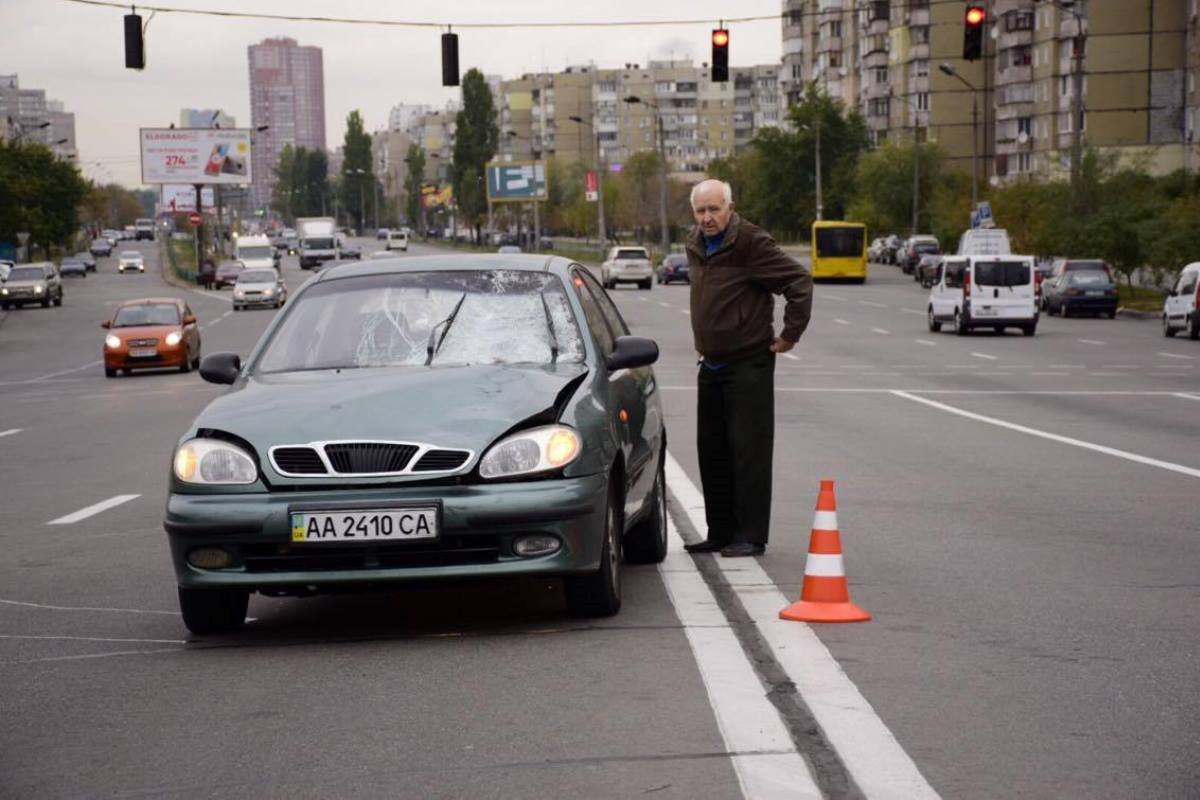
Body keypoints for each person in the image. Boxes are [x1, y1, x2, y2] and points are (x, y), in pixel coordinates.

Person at [683, 179, 812, 558]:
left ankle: (751, 535)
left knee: (748, 451)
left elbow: (798, 281)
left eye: (714, 210)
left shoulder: (751, 242)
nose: (707, 218)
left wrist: (790, 335)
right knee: (712, 450)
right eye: (700, 211)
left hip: (748, 363)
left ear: (730, 207)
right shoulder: (694, 244)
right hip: (711, 363)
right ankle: (720, 532)